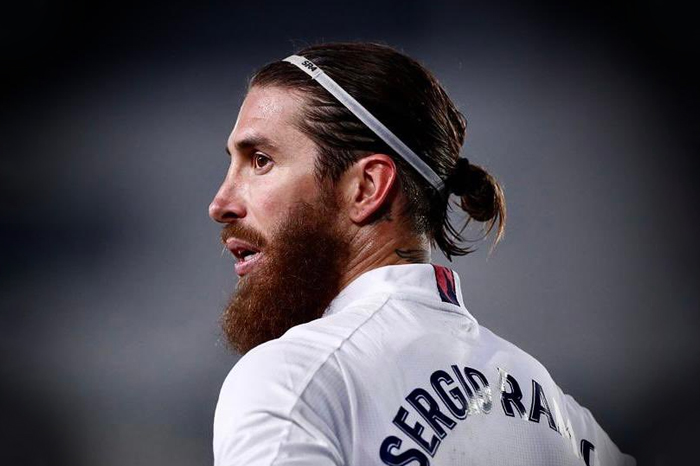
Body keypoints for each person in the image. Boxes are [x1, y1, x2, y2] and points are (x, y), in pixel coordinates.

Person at [208, 42, 635, 466]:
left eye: (260, 160)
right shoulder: (571, 423)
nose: (220, 203)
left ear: (367, 187)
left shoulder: (292, 383)